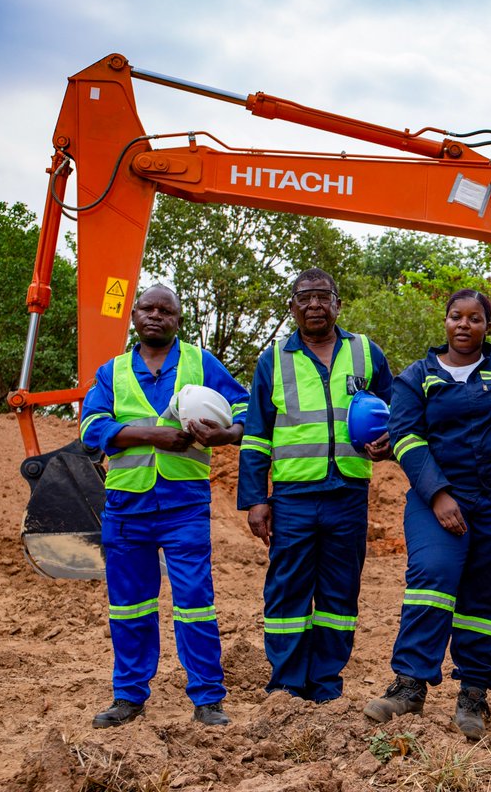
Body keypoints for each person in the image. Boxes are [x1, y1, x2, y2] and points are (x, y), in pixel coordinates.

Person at [362, 289, 491, 740]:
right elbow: (406, 435)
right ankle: (409, 687)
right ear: (445, 321)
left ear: (488, 325)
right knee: (433, 575)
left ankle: (473, 693)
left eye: (475, 318)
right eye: (456, 317)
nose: (464, 326)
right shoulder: (418, 376)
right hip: (440, 498)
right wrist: (438, 494)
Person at [80, 284, 248, 728]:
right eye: (148, 308)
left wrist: (226, 435)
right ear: (134, 315)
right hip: (126, 504)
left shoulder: (201, 363)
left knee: (195, 601)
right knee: (129, 605)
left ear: (178, 319)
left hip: (183, 506)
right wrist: (154, 435)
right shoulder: (111, 372)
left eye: (165, 310)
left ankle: (208, 699)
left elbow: (246, 409)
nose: (156, 315)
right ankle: (128, 696)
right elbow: (92, 428)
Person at [238, 268, 393, 703]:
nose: (314, 305)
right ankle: (288, 684)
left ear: (338, 304)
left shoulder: (366, 352)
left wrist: (390, 441)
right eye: (304, 298)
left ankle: (326, 684)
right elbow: (255, 434)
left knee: (340, 590)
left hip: (348, 494)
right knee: (287, 589)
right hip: (293, 497)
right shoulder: (273, 360)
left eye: (323, 296)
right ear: (292, 307)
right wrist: (255, 500)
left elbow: (396, 409)